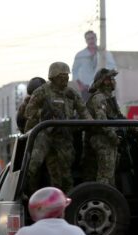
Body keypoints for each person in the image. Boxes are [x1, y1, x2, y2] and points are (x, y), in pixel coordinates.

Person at [24, 61, 92, 195]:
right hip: (45, 134)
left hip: (64, 135)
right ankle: (27, 193)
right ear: (53, 77)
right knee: (33, 164)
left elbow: (83, 111)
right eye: (62, 77)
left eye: (67, 76)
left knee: (64, 173)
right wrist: (43, 115)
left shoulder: (71, 93)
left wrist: (91, 123)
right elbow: (29, 112)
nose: (65, 79)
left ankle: (66, 199)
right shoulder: (42, 91)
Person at [84, 68, 122, 185]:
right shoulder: (99, 97)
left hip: (108, 139)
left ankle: (108, 199)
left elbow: (119, 117)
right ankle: (103, 199)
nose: (114, 81)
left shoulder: (108, 98)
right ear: (105, 81)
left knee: (110, 176)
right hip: (101, 139)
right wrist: (114, 137)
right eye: (111, 79)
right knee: (105, 176)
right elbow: (102, 120)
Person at [72, 30, 117, 101]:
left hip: (102, 88)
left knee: (103, 108)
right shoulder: (80, 55)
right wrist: (80, 85)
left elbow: (112, 67)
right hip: (87, 89)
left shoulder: (105, 53)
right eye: (88, 39)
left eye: (92, 38)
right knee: (88, 110)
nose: (91, 41)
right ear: (86, 40)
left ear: (96, 38)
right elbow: (74, 71)